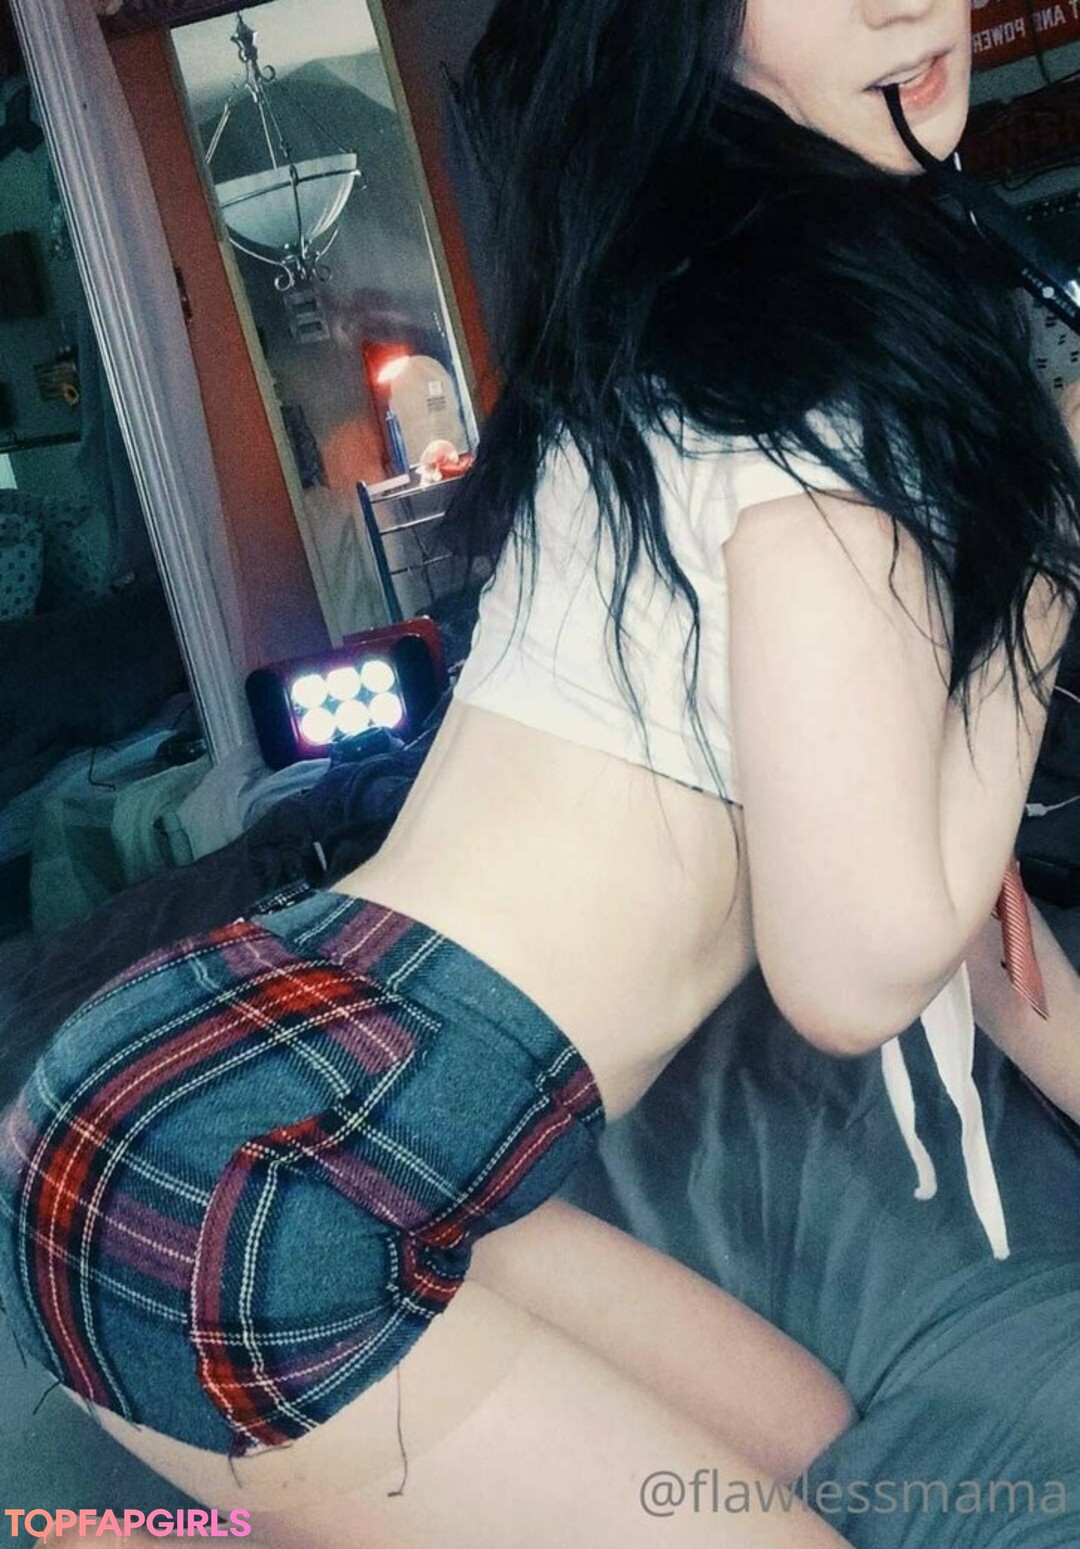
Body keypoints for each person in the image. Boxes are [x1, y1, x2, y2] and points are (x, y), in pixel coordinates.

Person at [2, 0, 1078, 1544]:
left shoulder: (684, 348)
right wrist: (1050, 542)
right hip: (238, 1177)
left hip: (244, 1093)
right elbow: (853, 978)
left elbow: (968, 931)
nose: (903, 4)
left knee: (816, 1443)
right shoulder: (812, 413)